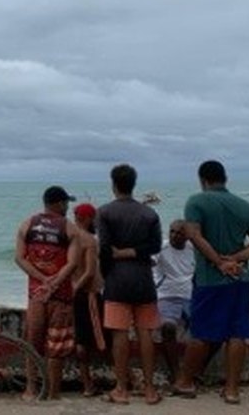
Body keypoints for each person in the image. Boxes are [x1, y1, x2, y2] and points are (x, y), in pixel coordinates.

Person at [170, 160, 249, 405]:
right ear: (225, 179)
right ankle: (232, 390)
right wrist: (236, 258)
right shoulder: (244, 205)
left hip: (210, 279)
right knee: (237, 334)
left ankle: (185, 382)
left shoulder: (196, 201)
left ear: (202, 179)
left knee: (201, 333)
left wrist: (218, 262)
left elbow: (194, 234)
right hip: (241, 278)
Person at [96, 163, 163, 405]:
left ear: (113, 184)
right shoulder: (149, 214)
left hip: (117, 279)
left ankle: (121, 389)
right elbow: (155, 246)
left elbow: (104, 249)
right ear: (133, 185)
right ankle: (150, 390)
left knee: (120, 335)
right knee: (145, 333)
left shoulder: (104, 212)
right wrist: (133, 252)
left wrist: (107, 270)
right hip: (144, 279)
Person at [15, 185, 81, 400]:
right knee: (56, 346)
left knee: (32, 342)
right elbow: (72, 263)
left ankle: (31, 390)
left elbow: (19, 258)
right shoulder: (69, 228)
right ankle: (53, 393)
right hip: (60, 297)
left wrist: (42, 280)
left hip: (36, 294)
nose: (68, 207)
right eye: (66, 203)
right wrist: (54, 283)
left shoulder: (27, 224)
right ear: (60, 203)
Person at [153, 218, 195, 384]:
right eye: (172, 231)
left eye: (180, 232)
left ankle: (193, 372)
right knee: (168, 327)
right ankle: (175, 373)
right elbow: (150, 260)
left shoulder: (193, 248)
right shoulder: (161, 248)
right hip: (167, 296)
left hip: (190, 296)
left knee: (211, 329)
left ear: (187, 235)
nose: (175, 235)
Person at [71, 202, 105, 397]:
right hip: (88, 295)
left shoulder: (70, 237)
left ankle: (87, 383)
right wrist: (77, 288)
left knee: (81, 338)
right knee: (98, 340)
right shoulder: (89, 240)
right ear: (88, 218)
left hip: (76, 293)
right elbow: (90, 272)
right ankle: (88, 385)